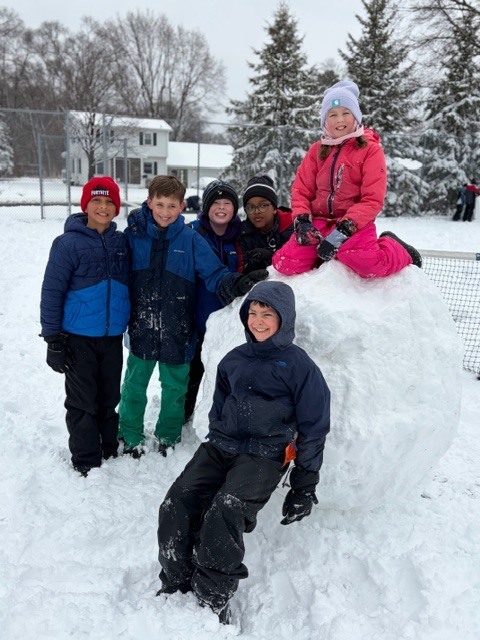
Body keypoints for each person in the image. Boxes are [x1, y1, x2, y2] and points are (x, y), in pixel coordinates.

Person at [157, 280, 330, 624]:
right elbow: (219, 405)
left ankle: (212, 596)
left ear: (285, 319)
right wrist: (216, 436)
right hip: (221, 446)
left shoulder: (300, 367)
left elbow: (314, 426)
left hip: (264, 455)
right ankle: (176, 579)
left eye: (268, 314)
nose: (259, 321)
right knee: (177, 500)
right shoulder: (234, 360)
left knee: (226, 508)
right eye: (253, 312)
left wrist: (304, 483)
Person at [118, 175, 267, 458]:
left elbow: (214, 272)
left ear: (182, 206)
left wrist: (235, 283)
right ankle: (129, 433)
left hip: (178, 327)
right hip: (142, 324)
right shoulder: (134, 236)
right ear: (149, 203)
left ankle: (168, 435)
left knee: (175, 388)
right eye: (159, 204)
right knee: (134, 385)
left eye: (171, 205)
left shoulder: (190, 239)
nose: (165, 211)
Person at [272, 80, 422, 278]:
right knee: (286, 263)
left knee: (368, 264)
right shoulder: (317, 151)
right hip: (319, 221)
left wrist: (342, 231)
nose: (339, 120)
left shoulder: (370, 150)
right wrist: (302, 222)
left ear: (356, 117)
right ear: (325, 120)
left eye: (346, 113)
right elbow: (301, 190)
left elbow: (372, 199)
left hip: (353, 223)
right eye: (332, 115)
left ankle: (397, 248)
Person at [40, 177, 131, 477]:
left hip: (111, 337)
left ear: (116, 208)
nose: (103, 207)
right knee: (82, 401)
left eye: (109, 203)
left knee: (109, 397)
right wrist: (53, 338)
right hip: (78, 337)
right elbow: (52, 291)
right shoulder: (68, 244)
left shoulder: (121, 242)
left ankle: (107, 447)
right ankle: (86, 457)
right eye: (97, 201)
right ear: (86, 205)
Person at [185, 179, 241, 422]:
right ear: (206, 207)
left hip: (229, 323)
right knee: (191, 374)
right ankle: (183, 415)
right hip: (196, 320)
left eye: (227, 202)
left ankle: (222, 419)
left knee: (224, 374)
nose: (221, 207)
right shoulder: (192, 232)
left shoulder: (240, 236)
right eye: (215, 202)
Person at [236, 175, 294, 274]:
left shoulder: (291, 227)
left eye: (263, 205)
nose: (257, 211)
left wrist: (272, 257)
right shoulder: (242, 234)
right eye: (250, 207)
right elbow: (239, 269)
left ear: (275, 208)